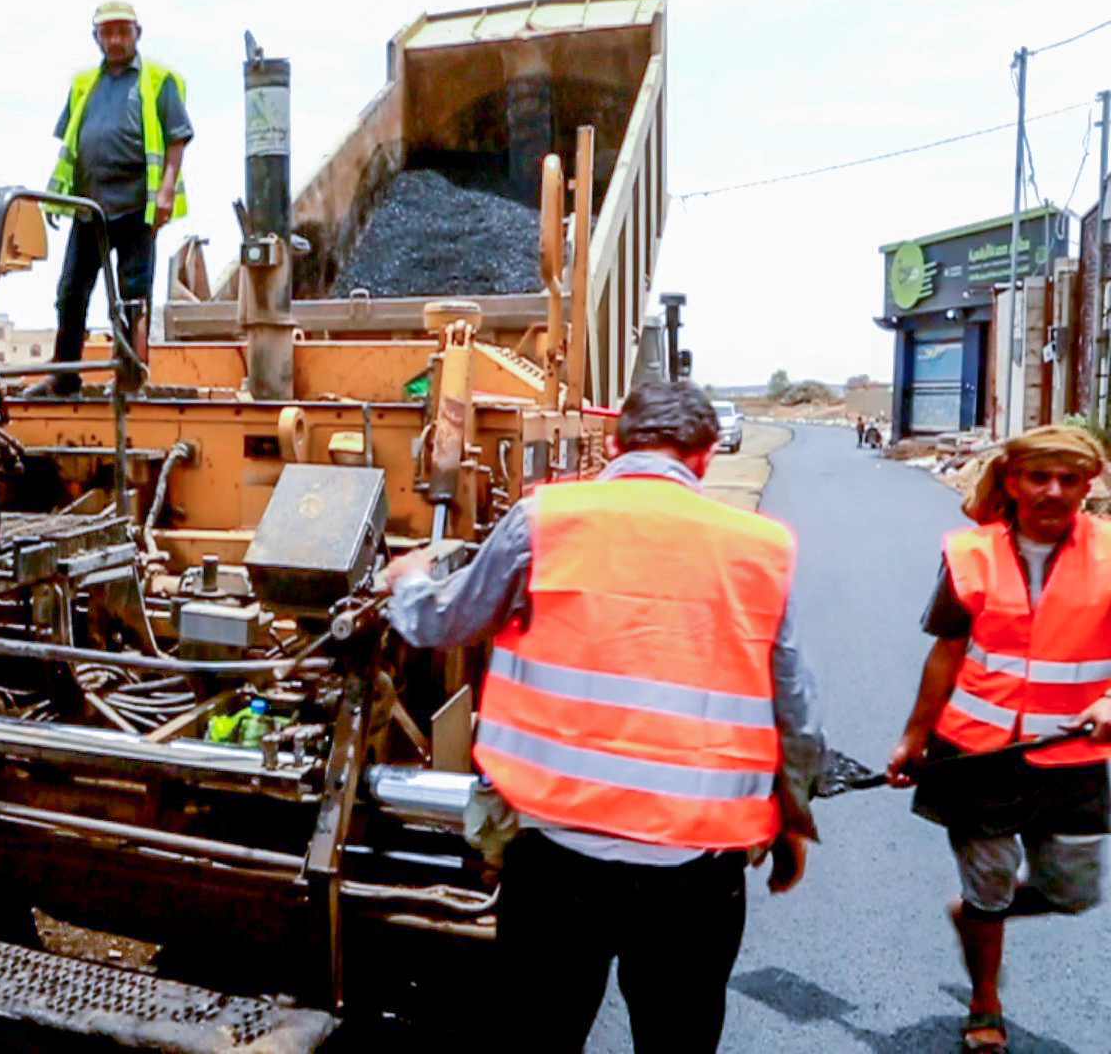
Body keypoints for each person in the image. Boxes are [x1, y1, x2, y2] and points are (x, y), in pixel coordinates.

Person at [383, 380, 824, 1054]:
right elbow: (794, 705)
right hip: (694, 876)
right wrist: (793, 816)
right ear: (704, 458)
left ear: (614, 444)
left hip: (560, 863)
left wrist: (407, 579)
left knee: (539, 1037)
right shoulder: (757, 548)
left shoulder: (549, 518)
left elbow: (447, 620)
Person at [886, 424, 1111, 1054]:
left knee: (1072, 891)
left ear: (1087, 487)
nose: (1053, 491)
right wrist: (914, 736)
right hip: (977, 754)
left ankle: (978, 914)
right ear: (1011, 483)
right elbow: (947, 651)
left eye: (1069, 480)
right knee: (987, 884)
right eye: (1038, 477)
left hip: (1072, 758)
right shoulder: (971, 553)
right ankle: (985, 1000)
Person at [32, 0, 192, 396]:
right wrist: (57, 197)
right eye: (108, 32)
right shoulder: (84, 83)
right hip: (89, 209)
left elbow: (177, 137)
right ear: (97, 38)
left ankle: (129, 378)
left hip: (136, 207)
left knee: (132, 297)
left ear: (138, 33)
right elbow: (70, 145)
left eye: (124, 31)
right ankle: (64, 376)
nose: (117, 40)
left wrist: (167, 189)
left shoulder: (158, 79)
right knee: (70, 292)